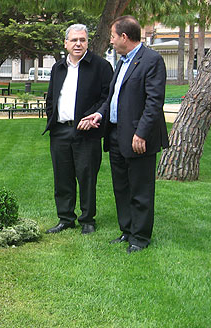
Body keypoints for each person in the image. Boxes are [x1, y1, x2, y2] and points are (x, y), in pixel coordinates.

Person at [79, 16, 168, 253]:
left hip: (139, 138)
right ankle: (127, 231)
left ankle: (140, 238)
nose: (111, 41)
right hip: (116, 134)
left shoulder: (152, 60)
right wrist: (99, 114)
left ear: (124, 37)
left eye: (113, 36)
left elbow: (154, 103)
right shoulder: (121, 62)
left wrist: (141, 133)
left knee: (140, 189)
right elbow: (112, 98)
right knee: (122, 187)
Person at [43, 24, 113, 235]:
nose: (78, 44)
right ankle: (65, 218)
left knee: (87, 176)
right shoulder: (58, 67)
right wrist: (52, 118)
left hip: (87, 132)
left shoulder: (100, 66)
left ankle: (87, 219)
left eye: (82, 40)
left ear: (87, 42)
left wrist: (90, 117)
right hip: (60, 131)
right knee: (62, 177)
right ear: (65, 43)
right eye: (73, 40)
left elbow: (107, 98)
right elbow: (52, 97)